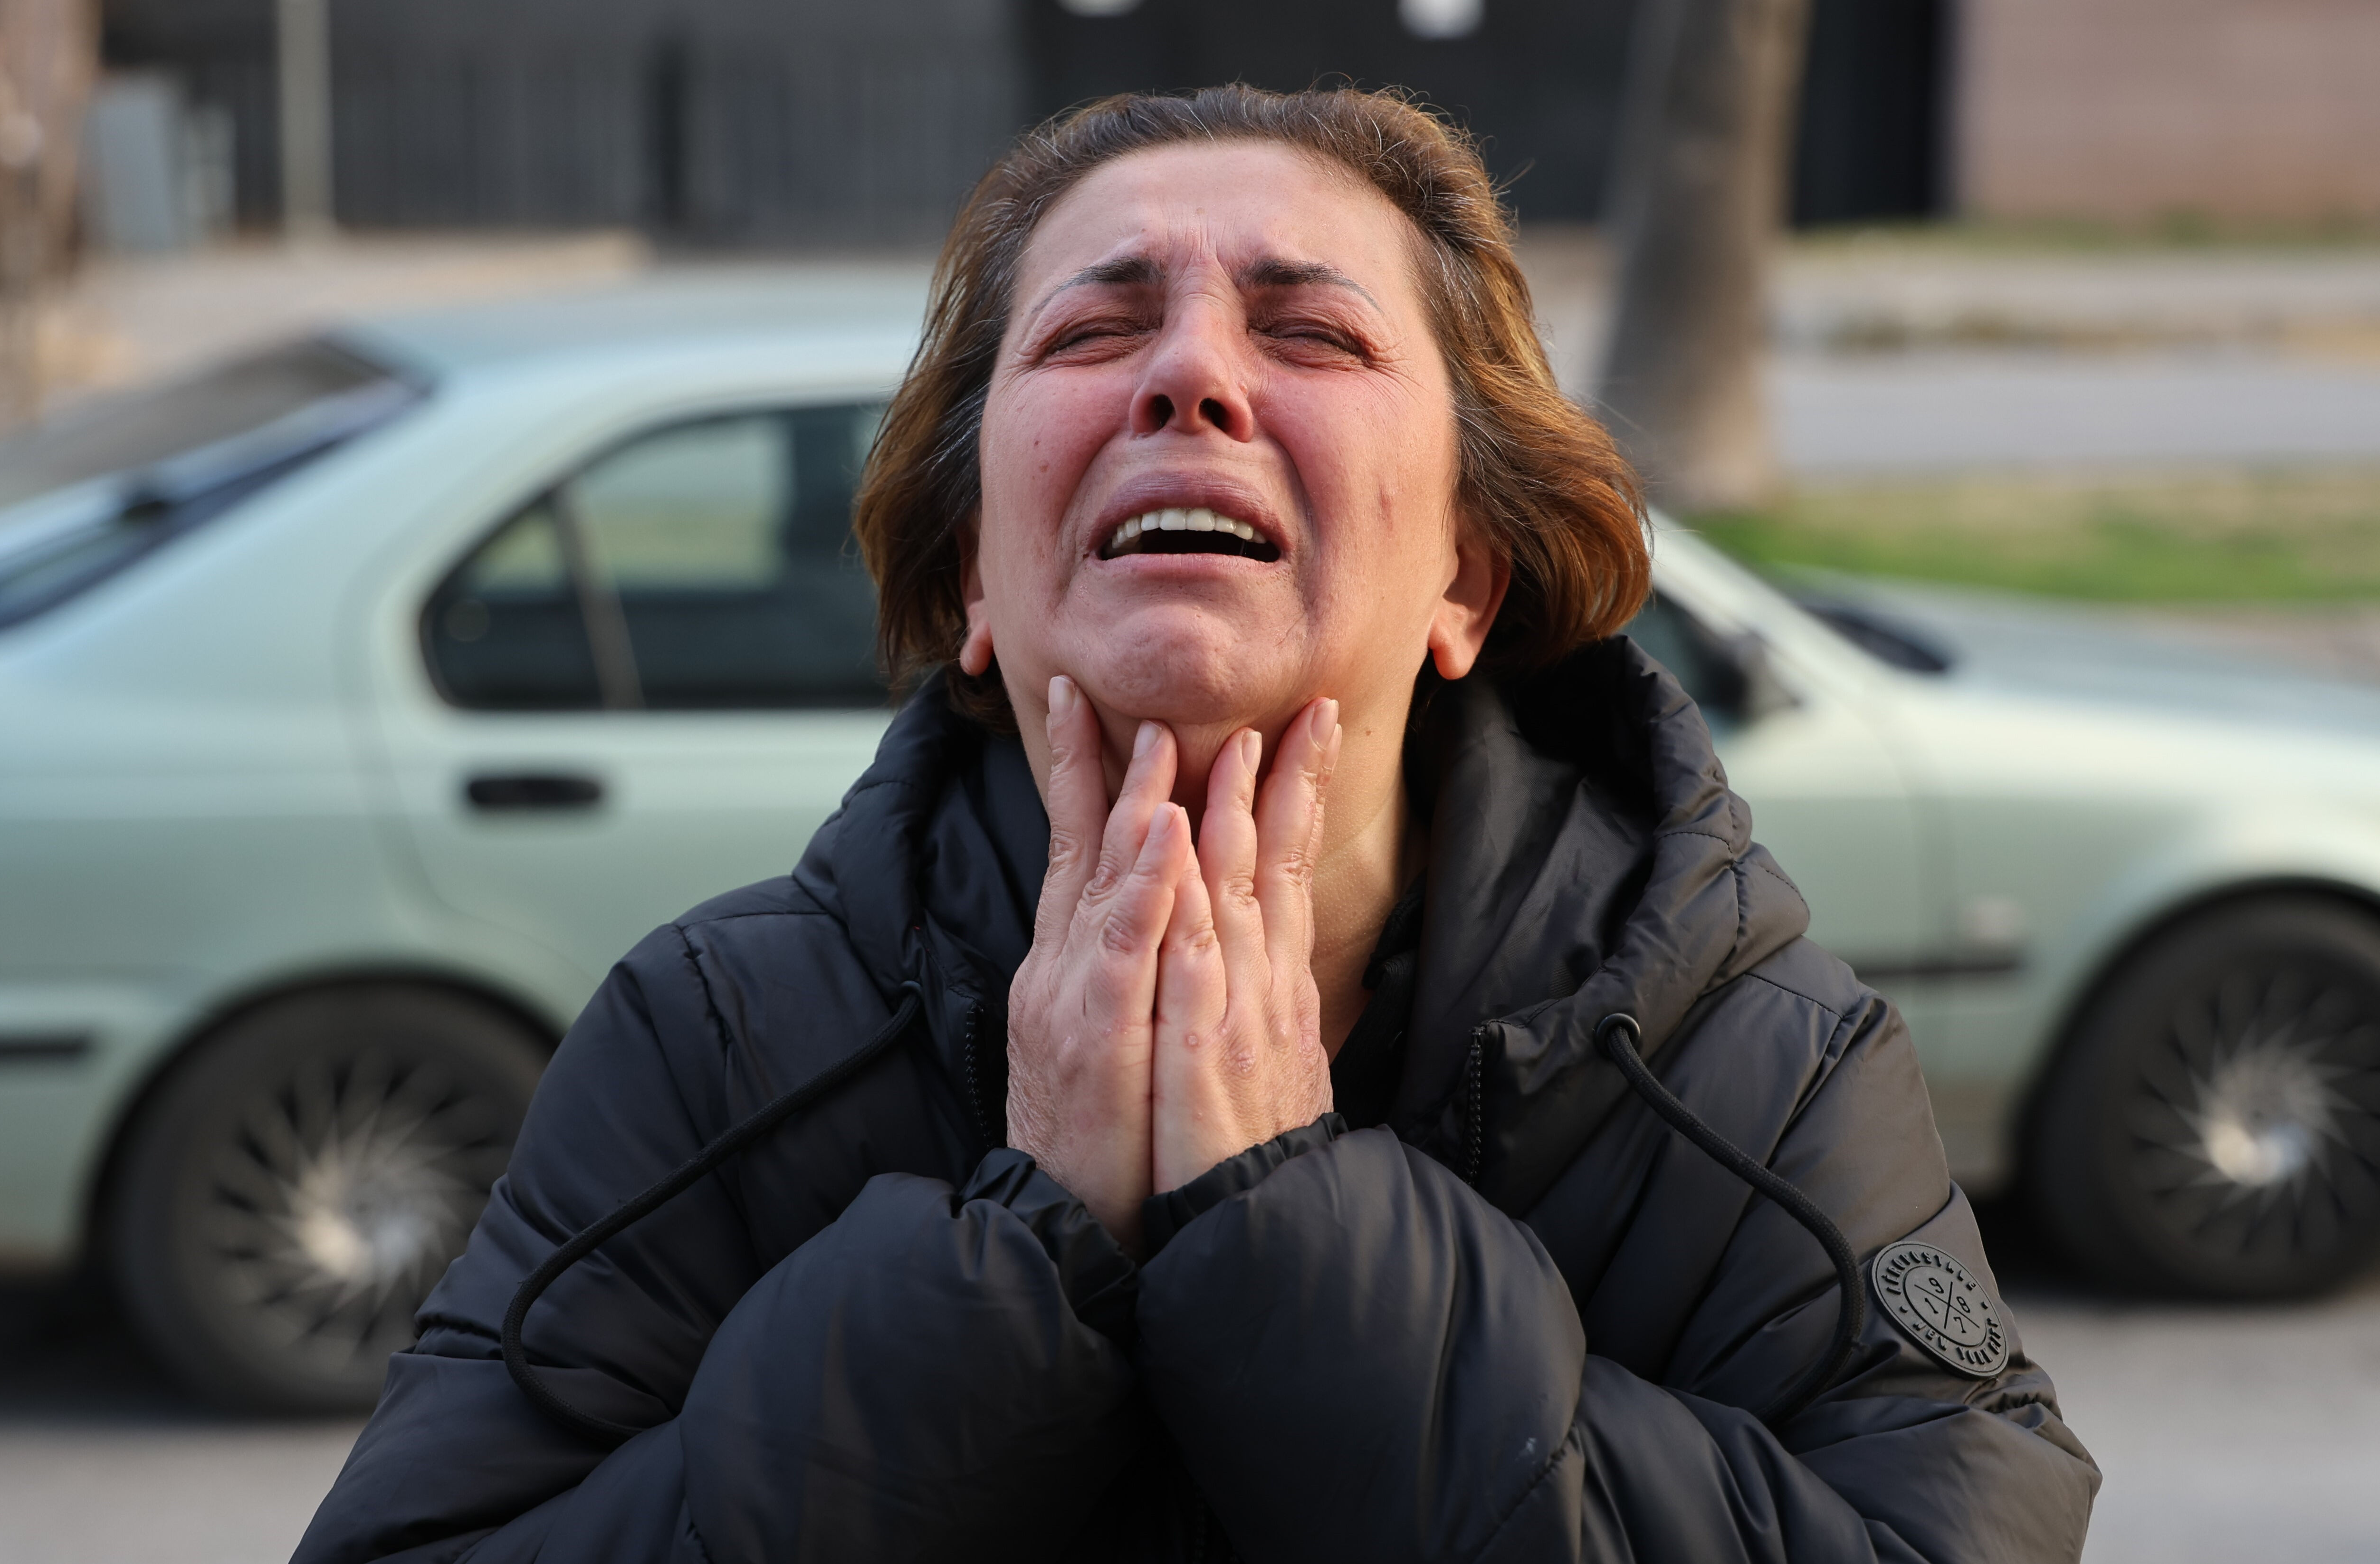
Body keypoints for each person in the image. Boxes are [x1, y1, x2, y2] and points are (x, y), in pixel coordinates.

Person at [296, 86, 2097, 1563]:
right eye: (1094, 328)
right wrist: (1012, 1261)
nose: (1190, 380)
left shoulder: (1747, 1055)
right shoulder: (715, 1035)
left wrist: (1301, 1239)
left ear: (1465, 573)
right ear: (974, 577)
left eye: (1307, 329)